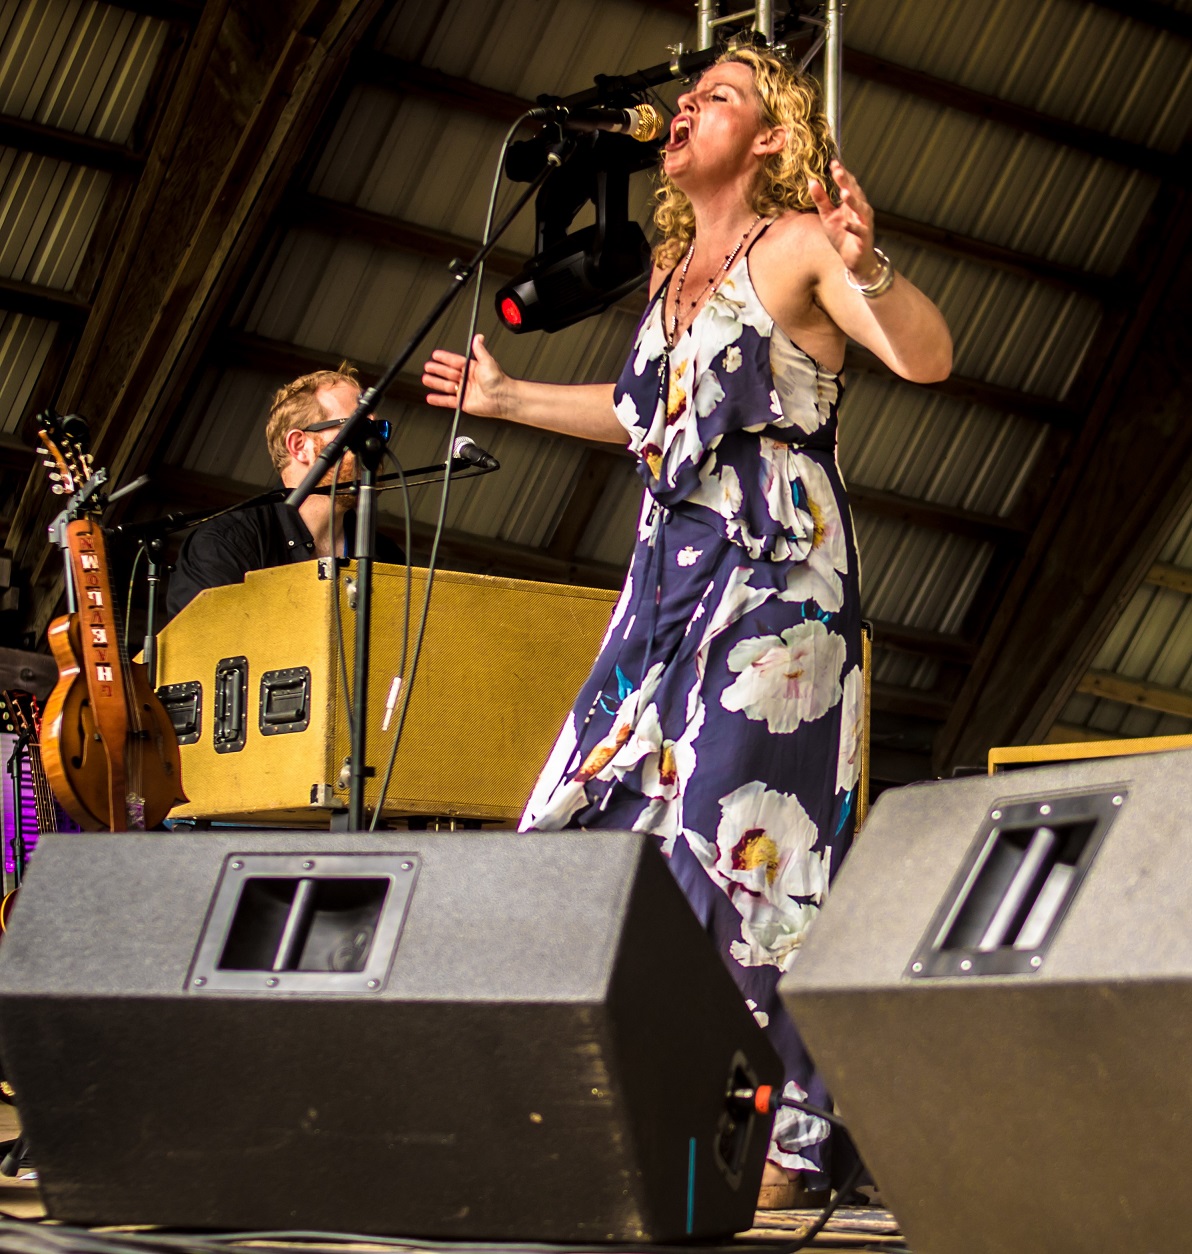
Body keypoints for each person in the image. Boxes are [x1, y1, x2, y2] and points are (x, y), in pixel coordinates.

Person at [424, 47, 951, 1204]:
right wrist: (506, 399)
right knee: (582, 803)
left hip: (777, 579)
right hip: (665, 578)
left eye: (720, 97)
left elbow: (926, 358)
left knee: (743, 836)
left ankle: (771, 1131)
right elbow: (638, 416)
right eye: (692, 96)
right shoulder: (669, 265)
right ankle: (595, 1081)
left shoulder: (802, 244)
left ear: (769, 139)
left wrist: (876, 267)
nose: (690, 110)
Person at [166, 368, 398, 620]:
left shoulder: (386, 555)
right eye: (358, 429)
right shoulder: (227, 544)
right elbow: (203, 651)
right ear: (300, 446)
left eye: (378, 430)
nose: (373, 444)